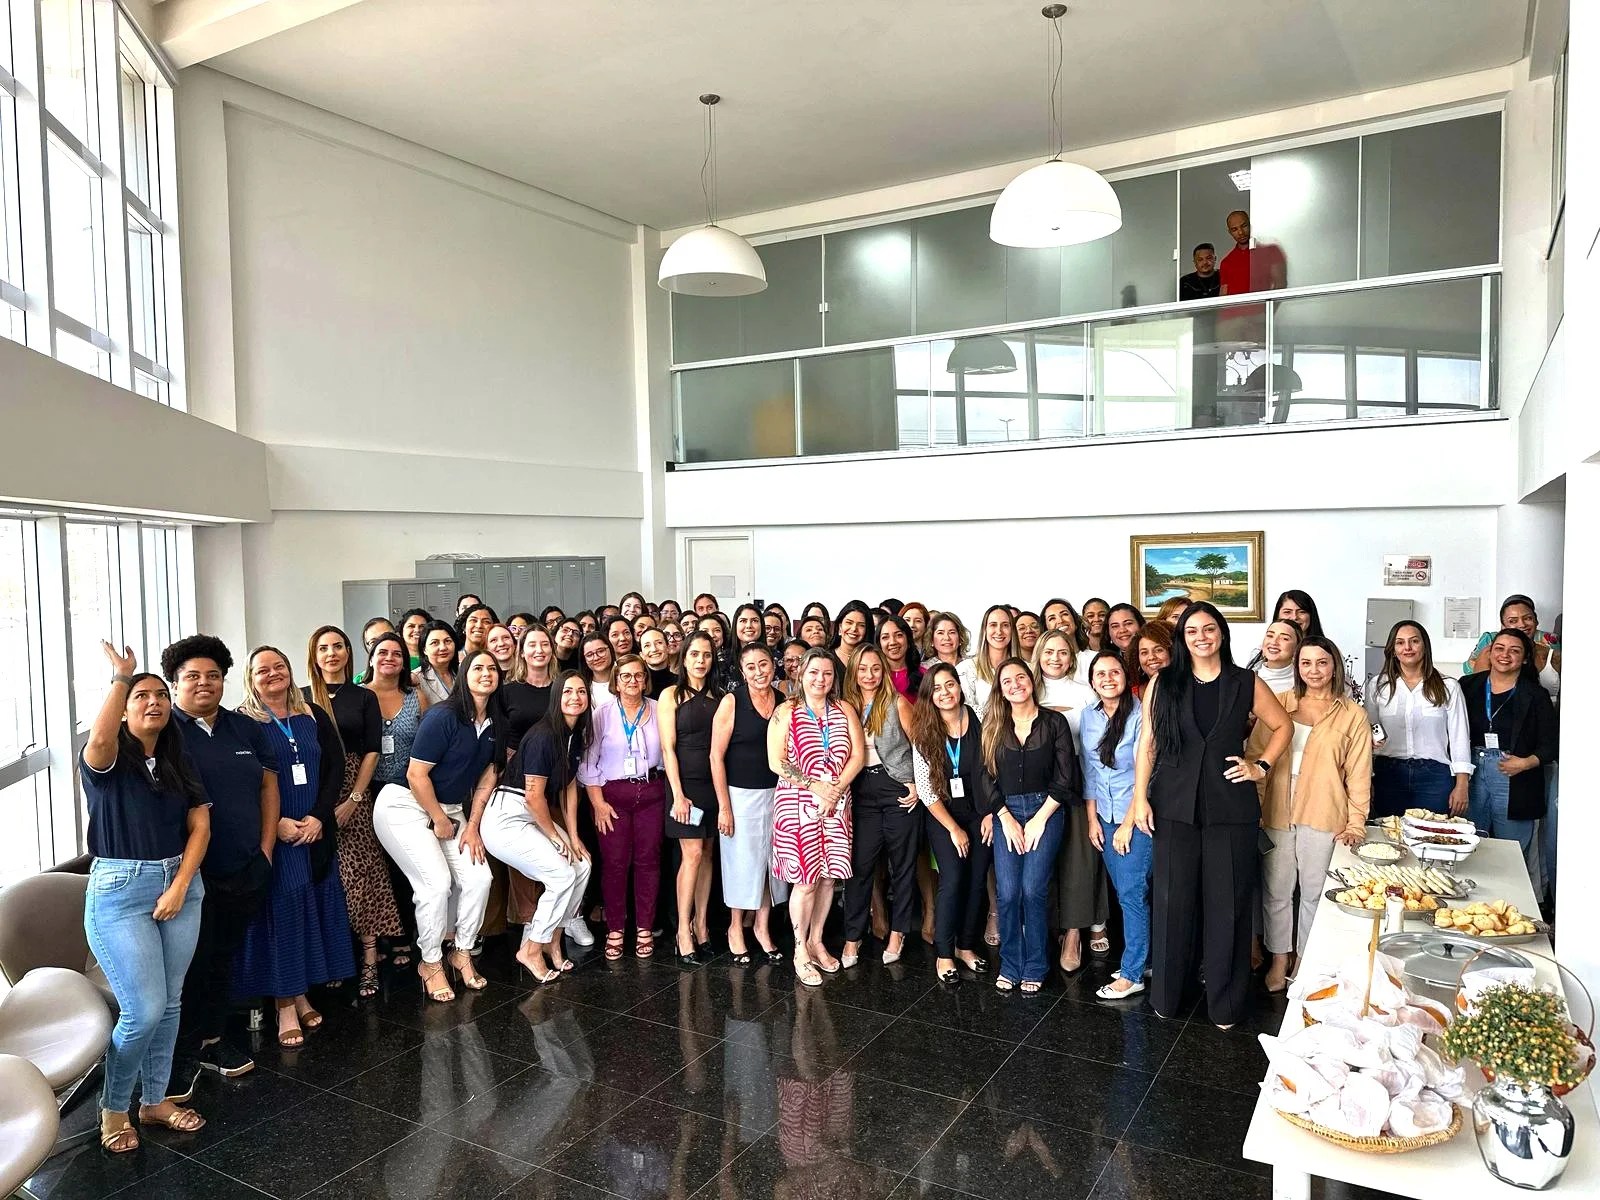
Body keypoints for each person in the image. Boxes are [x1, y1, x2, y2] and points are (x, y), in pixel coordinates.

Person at [1128, 603, 1291, 1028]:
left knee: (1229, 908)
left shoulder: (1245, 682)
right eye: (1192, 631)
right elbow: (1147, 744)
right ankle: (1167, 997)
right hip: (1173, 806)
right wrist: (1139, 799)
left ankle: (1225, 1005)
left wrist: (1261, 766)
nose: (1201, 637)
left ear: (1222, 633)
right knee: (1172, 903)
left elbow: (1283, 726)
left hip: (1230, 808)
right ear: (1182, 638)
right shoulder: (1164, 682)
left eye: (1209, 629)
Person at [82, 641, 211, 1152]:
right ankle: (114, 1108)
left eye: (161, 694)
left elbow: (200, 826)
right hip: (120, 891)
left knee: (171, 1002)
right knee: (144, 1009)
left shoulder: (177, 758)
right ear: (125, 708)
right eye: (142, 696)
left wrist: (179, 886)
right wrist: (122, 677)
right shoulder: (108, 760)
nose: (154, 701)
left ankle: (154, 1101)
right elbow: (99, 737)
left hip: (182, 883)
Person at [162, 636, 278, 1094]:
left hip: (244, 867)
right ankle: (179, 1055)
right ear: (175, 683)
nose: (204, 683)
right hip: (188, 875)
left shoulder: (244, 728)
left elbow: (268, 788)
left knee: (222, 959)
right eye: (192, 676)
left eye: (213, 675)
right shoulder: (163, 730)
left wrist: (265, 850)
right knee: (189, 966)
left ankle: (211, 1042)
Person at [235, 646, 355, 1044]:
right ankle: (284, 1004)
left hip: (315, 832)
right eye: (262, 670)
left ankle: (300, 992)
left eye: (279, 666)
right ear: (250, 678)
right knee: (283, 917)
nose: (273, 674)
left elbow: (335, 767)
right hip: (278, 835)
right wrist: (276, 824)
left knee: (309, 912)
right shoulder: (242, 722)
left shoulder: (312, 713)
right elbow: (239, 785)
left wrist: (320, 816)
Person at [372, 649, 500, 1002]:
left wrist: (471, 826)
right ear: (463, 675)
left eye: (492, 668)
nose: (486, 673)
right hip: (405, 803)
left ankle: (461, 951)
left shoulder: (495, 722)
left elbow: (489, 775)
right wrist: (440, 819)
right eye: (477, 667)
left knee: (479, 878)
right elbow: (417, 774)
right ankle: (429, 962)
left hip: (451, 810)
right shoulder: (443, 716)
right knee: (436, 884)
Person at [1251, 636, 1371, 993]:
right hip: (1276, 808)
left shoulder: (1352, 715)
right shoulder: (1278, 704)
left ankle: (1305, 959)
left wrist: (1356, 823)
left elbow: (1359, 774)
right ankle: (1279, 958)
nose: (1314, 670)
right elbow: (1256, 758)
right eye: (1306, 663)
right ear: (1297, 666)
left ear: (1334, 666)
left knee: (1315, 892)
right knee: (1276, 890)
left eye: (1322, 662)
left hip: (1323, 809)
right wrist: (1255, 808)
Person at [304, 625, 398, 999]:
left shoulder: (362, 696)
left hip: (353, 791)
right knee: (326, 877)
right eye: (323, 648)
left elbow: (372, 750)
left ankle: (370, 958)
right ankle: (334, 957)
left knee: (363, 873)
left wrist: (354, 799)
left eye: (338, 646)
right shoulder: (301, 696)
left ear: (349, 652)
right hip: (312, 791)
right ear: (314, 655)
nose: (332, 653)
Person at [481, 673, 595, 982]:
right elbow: (533, 797)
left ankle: (553, 941)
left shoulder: (574, 734)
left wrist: (573, 837)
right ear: (556, 697)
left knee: (582, 864)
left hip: (531, 814)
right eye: (567, 691)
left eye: (581, 692)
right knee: (561, 874)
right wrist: (555, 837)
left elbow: (569, 787)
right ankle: (531, 948)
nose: (575, 697)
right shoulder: (544, 735)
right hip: (507, 818)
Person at [980, 658, 1077, 994]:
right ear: (1000, 689)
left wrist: (1039, 819)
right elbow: (985, 777)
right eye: (1007, 681)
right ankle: (1011, 964)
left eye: (1020, 677)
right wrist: (1004, 818)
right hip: (1006, 813)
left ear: (1031, 681)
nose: (1015, 684)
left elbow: (1065, 778)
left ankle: (1035, 965)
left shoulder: (1054, 722)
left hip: (1045, 810)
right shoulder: (993, 725)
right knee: (1007, 893)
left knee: (1033, 890)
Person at [769, 647, 864, 987]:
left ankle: (816, 940)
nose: (820, 679)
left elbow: (858, 756)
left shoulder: (844, 709)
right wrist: (815, 786)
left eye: (826, 673)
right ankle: (799, 949)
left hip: (836, 803)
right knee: (806, 881)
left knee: (828, 879)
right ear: (801, 674)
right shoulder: (786, 710)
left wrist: (834, 790)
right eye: (813, 672)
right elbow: (776, 761)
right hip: (797, 805)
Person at [580, 652, 667, 960]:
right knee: (615, 863)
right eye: (625, 676)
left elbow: (669, 753)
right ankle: (615, 928)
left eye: (638, 675)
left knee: (649, 861)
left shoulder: (658, 709)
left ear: (646, 679)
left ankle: (644, 927)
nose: (632, 681)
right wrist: (598, 804)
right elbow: (587, 763)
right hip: (612, 798)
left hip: (652, 793)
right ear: (616, 681)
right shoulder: (602, 714)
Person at [909, 663, 991, 984]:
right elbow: (926, 789)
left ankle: (965, 946)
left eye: (950, 685)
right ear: (929, 696)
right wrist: (954, 829)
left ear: (959, 686)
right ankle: (944, 954)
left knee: (977, 879)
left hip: (981, 814)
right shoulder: (924, 732)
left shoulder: (980, 716)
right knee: (953, 878)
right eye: (937, 688)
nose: (945, 693)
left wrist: (991, 814)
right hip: (944, 817)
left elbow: (995, 766)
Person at [839, 644, 919, 968]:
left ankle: (898, 933)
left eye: (875, 668)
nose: (869, 675)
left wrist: (918, 785)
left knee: (902, 866)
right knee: (859, 867)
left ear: (883, 670)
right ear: (853, 672)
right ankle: (852, 937)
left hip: (897, 789)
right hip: (861, 791)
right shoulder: (845, 706)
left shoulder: (897, 703)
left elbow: (921, 747)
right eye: (862, 669)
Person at [1032, 629, 1106, 970]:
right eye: (1049, 651)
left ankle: (1074, 932)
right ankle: (1047, 930)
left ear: (1071, 657)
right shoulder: (1027, 688)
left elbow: (1095, 747)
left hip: (1076, 779)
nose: (1055, 658)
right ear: (1038, 654)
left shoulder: (1085, 693)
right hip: (1034, 783)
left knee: (1078, 860)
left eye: (1063, 652)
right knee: (1042, 860)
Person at [711, 642, 788, 964]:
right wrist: (724, 807)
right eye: (751, 667)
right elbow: (716, 756)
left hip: (779, 795)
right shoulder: (732, 701)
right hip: (740, 796)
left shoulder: (784, 701)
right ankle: (735, 927)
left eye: (764, 664)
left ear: (773, 665)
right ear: (742, 672)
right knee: (742, 864)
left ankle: (761, 926)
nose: (759, 672)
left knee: (771, 865)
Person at [1081, 651, 1151, 1000]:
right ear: (1092, 681)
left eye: (1114, 672)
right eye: (1100, 674)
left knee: (1131, 895)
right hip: (1104, 818)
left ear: (1126, 676)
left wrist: (1126, 825)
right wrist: (1092, 819)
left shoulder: (1141, 714)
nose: (1108, 678)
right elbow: (1090, 771)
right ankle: (1143, 960)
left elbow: (1145, 773)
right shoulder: (1088, 715)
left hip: (1135, 818)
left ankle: (1132, 974)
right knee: (1128, 893)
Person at [1460, 628, 1557, 868]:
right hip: (1472, 771)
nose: (1505, 655)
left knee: (1510, 854)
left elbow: (1551, 744)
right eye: (1499, 649)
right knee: (1468, 845)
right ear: (1490, 652)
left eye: (1514, 651)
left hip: (1514, 775)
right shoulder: (1467, 685)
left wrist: (1526, 763)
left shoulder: (1536, 695)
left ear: (1524, 658)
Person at [363, 631, 429, 972]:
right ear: (371, 658)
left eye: (397, 653)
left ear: (405, 661)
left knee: (404, 864)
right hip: (366, 791)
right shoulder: (358, 696)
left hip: (407, 791)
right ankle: (374, 939)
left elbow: (430, 743)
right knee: (374, 868)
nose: (389, 658)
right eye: (382, 652)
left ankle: (403, 932)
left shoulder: (416, 696)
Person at [659, 634, 724, 963]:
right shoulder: (670, 695)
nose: (701, 660)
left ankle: (702, 925)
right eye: (694, 654)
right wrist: (678, 794)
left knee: (708, 854)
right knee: (693, 854)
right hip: (684, 786)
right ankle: (682, 930)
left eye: (707, 655)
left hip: (714, 784)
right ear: (683, 658)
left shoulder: (720, 697)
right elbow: (667, 749)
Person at [1365, 621, 1472, 819]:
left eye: (1414, 641)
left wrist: (1462, 784)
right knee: (1388, 832)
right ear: (1393, 650)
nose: (1407, 647)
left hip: (1434, 777)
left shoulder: (1449, 687)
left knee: (1433, 832)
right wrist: (1366, 779)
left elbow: (1460, 738)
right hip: (1388, 774)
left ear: (1425, 646)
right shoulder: (1377, 686)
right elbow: (1368, 735)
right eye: (1400, 643)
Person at [1463, 594, 1561, 698]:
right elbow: (1477, 688)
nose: (1522, 624)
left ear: (1536, 621)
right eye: (1513, 621)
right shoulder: (1491, 649)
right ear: (1503, 626)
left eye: (1527, 618)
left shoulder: (1549, 646)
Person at [958, 603, 1017, 713]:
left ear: (1012, 630)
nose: (999, 631)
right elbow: (964, 711)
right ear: (984, 630)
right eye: (993, 625)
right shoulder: (966, 669)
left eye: (1005, 625)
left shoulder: (1025, 668)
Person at [1217, 209, 1287, 296]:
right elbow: (1223, 295)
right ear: (1230, 232)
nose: (1241, 232)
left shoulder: (1271, 252)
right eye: (1235, 229)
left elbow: (1280, 285)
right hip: (1234, 305)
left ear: (1250, 225)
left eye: (1244, 226)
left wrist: (1266, 305)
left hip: (1263, 304)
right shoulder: (1226, 262)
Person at [1248, 620, 1302, 693]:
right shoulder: (1247, 678)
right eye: (1270, 636)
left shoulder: (1306, 680)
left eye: (1284, 638)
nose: (1274, 642)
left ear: (1297, 647)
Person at [877, 613, 923, 698]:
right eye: (885, 637)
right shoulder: (873, 676)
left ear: (908, 640)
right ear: (879, 644)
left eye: (899, 635)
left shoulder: (924, 675)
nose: (893, 642)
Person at [414, 620, 459, 703]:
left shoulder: (464, 672)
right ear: (424, 650)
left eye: (447, 641)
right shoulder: (416, 679)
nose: (443, 648)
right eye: (434, 643)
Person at [1128, 621, 1173, 699]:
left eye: (1158, 650)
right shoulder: (1133, 694)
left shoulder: (1189, 686)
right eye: (1144, 652)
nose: (1151, 657)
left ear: (1172, 652)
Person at [579, 632, 616, 706]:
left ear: (610, 650)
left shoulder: (626, 677)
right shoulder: (582, 687)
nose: (596, 658)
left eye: (601, 651)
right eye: (589, 655)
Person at [639, 626, 677, 697]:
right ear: (642, 655)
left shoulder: (681, 682)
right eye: (647, 645)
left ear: (668, 647)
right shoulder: (638, 684)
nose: (654, 649)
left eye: (659, 643)